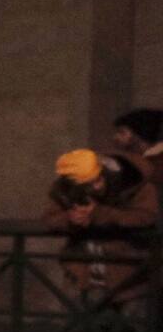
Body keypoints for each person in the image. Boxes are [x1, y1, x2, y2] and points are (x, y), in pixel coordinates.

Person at [45, 148, 159, 302]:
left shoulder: (134, 184)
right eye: (87, 186)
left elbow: (146, 217)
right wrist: (71, 219)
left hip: (129, 272)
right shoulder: (65, 188)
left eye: (97, 181)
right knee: (83, 319)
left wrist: (100, 214)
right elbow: (51, 217)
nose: (96, 188)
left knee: (131, 320)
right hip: (84, 270)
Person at [111, 108, 163, 186]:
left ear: (138, 135)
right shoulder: (140, 159)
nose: (115, 137)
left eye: (122, 132)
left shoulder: (157, 163)